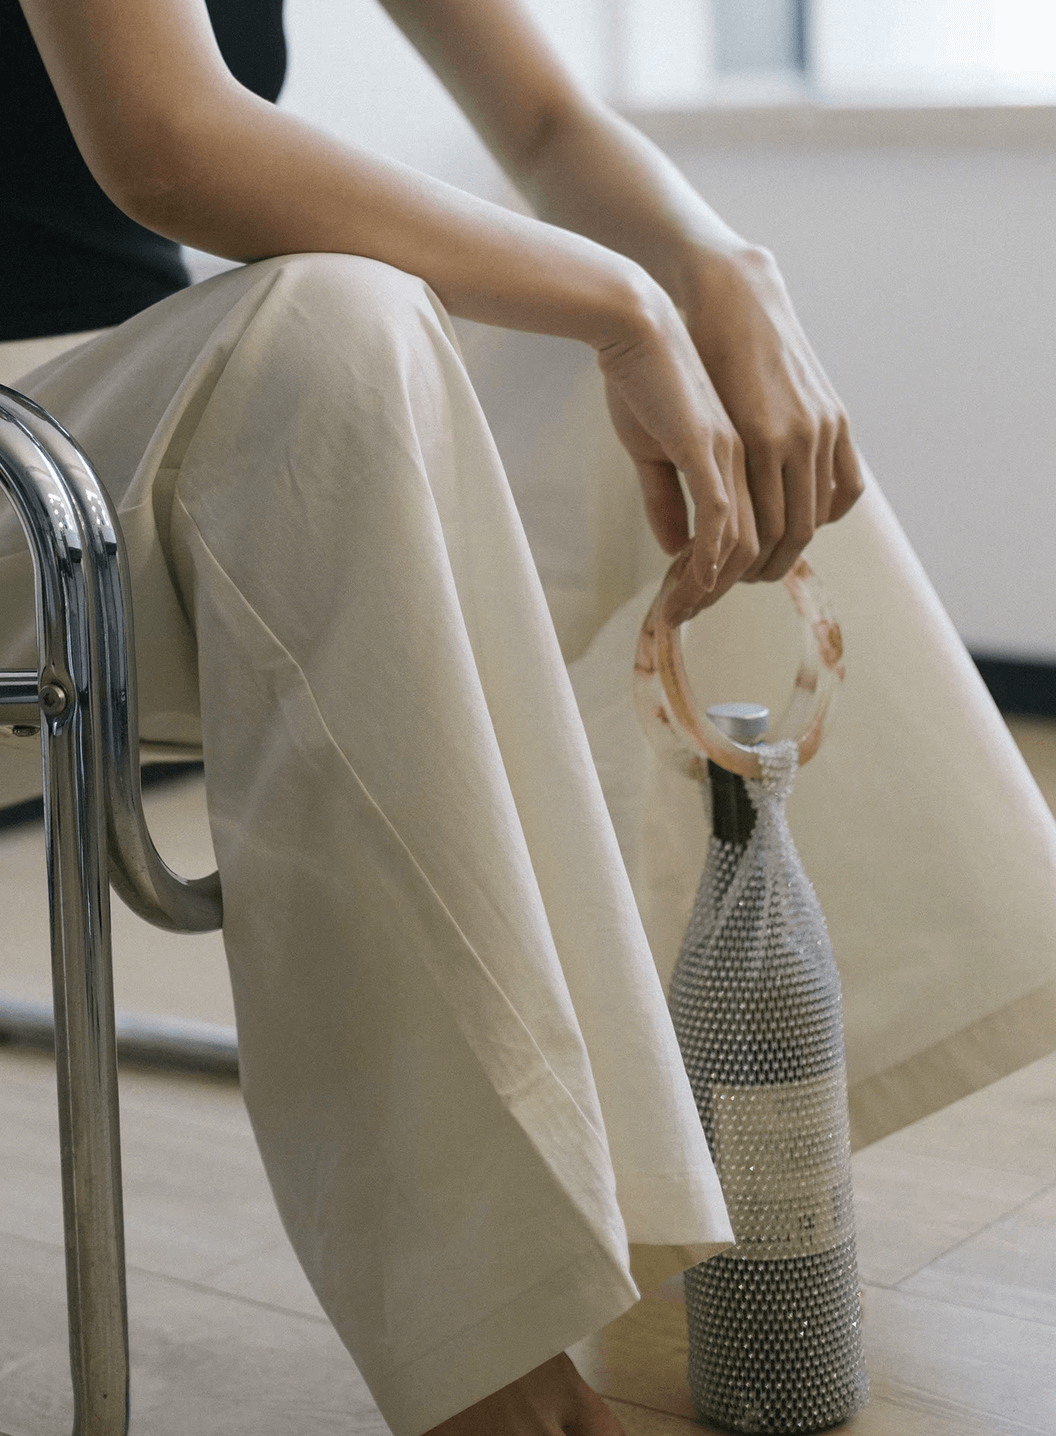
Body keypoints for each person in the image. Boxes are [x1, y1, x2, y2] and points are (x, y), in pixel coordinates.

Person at [1, 1, 863, 1432]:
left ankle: (774, 1158)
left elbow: (543, 122)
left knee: (728, 377)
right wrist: (621, 299)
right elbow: (169, 143)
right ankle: (497, 1355)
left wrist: (708, 271)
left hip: (116, 444)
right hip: (35, 466)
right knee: (342, 322)